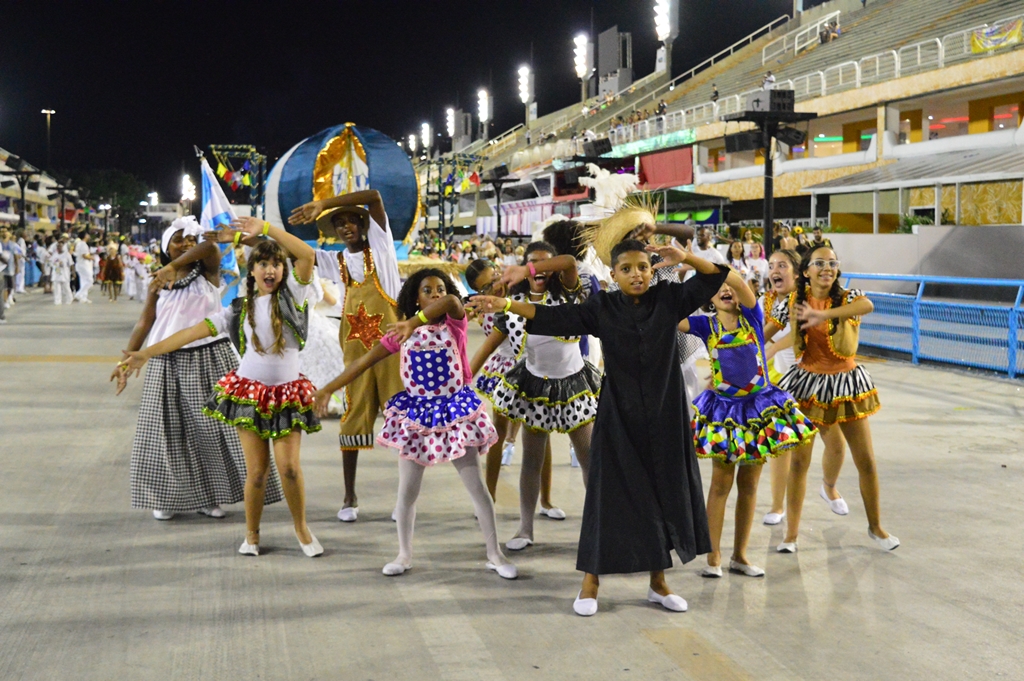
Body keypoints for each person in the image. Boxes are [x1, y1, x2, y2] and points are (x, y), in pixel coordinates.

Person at [468, 237, 729, 616]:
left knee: (661, 495)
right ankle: (590, 582)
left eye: (642, 266)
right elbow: (554, 319)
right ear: (613, 274)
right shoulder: (603, 307)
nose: (636, 275)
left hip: (665, 419)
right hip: (618, 419)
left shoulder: (668, 299)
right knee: (607, 499)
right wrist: (506, 303)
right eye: (626, 269)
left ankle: (658, 583)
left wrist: (686, 256)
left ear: (651, 269)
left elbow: (715, 277)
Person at [121, 218, 321, 556]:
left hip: (286, 395)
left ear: (284, 271)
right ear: (251, 271)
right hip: (248, 395)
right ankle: (252, 534)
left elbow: (306, 255)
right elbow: (191, 332)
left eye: (275, 264)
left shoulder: (296, 297)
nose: (270, 269)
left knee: (289, 468)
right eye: (262, 264)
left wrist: (264, 229)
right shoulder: (237, 309)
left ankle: (301, 529)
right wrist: (144, 353)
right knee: (256, 473)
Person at [314, 269, 517, 579]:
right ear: (414, 297)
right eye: (427, 290)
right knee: (407, 492)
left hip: (454, 413)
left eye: (438, 288)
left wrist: (414, 321)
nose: (436, 294)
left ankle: (494, 553)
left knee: (476, 487)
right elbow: (362, 362)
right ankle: (404, 554)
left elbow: (451, 300)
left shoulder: (455, 323)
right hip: (417, 417)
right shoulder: (401, 335)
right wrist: (328, 388)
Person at [113, 217, 280, 522]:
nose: (186, 244)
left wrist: (175, 264)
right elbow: (145, 322)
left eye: (190, 239)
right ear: (165, 247)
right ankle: (168, 498)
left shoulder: (209, 272)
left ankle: (210, 496)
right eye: (178, 239)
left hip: (210, 357)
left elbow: (211, 246)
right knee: (167, 433)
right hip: (167, 361)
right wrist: (127, 358)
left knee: (213, 432)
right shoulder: (158, 282)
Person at [682, 274, 816, 579]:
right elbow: (673, 317)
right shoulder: (705, 325)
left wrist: (704, 266)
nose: (726, 290)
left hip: (758, 413)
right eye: (717, 288)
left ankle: (740, 555)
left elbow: (738, 281)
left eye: (728, 286)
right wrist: (683, 275)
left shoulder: (753, 318)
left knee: (750, 485)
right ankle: (713, 555)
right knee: (720, 483)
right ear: (708, 296)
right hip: (725, 415)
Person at [774, 247, 899, 553]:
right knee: (799, 462)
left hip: (846, 382)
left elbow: (867, 305)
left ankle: (876, 528)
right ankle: (791, 535)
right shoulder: (793, 302)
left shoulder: (849, 297)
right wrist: (754, 350)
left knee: (866, 460)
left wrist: (823, 314)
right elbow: (768, 334)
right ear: (806, 272)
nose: (827, 268)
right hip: (807, 385)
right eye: (820, 263)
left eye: (832, 263)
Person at [289, 190, 403, 523]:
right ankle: (349, 495)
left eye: (351, 220)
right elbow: (299, 251)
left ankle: (403, 498)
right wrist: (256, 233)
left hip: (391, 354)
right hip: (354, 357)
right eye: (339, 223)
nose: (346, 226)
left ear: (363, 225)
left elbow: (377, 197)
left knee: (400, 422)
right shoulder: (335, 261)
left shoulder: (381, 250)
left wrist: (325, 204)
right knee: (351, 421)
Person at [486, 242, 598, 551]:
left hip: (575, 385)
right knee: (531, 461)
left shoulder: (572, 294)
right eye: (533, 263)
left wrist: (531, 267)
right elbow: (490, 344)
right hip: (535, 387)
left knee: (590, 458)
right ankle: (525, 529)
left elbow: (569, 260)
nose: (541, 269)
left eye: (546, 265)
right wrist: (464, 375)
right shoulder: (515, 303)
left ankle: (596, 528)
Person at [761, 249, 850, 525]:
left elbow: (800, 334)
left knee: (835, 445)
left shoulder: (812, 299)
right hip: (782, 382)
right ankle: (777, 507)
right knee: (783, 445)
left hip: (817, 380)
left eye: (782, 265)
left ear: (798, 272)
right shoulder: (770, 302)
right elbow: (763, 334)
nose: (775, 270)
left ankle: (829, 486)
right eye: (771, 265)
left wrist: (774, 346)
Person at [465, 259, 559, 515]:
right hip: (504, 369)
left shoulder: (520, 291)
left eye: (495, 276)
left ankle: (546, 500)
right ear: (477, 290)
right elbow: (486, 345)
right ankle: (489, 498)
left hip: (534, 364)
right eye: (486, 285)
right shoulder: (481, 309)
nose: (495, 285)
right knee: (499, 429)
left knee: (541, 430)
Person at [50, 239, 74, 305]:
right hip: (56, 274)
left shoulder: (67, 255)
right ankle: (57, 301)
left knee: (66, 287)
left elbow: (71, 264)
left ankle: (69, 298)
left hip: (64, 274)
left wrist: (73, 272)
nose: (59, 248)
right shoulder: (54, 255)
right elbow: (51, 264)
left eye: (60, 246)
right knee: (57, 288)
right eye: (58, 246)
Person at [73, 231, 94, 303]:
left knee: (84, 281)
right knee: (90, 281)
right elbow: (84, 255)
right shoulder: (83, 244)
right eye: (87, 234)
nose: (89, 236)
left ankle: (83, 297)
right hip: (84, 265)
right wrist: (91, 257)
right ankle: (78, 295)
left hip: (80, 264)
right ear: (85, 236)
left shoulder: (79, 244)